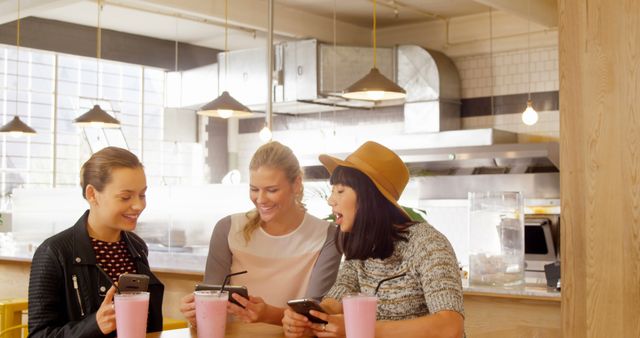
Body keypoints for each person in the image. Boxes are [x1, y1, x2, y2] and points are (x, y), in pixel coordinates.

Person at [282, 141, 465, 338]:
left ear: (369, 197)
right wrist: (309, 319)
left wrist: (360, 329)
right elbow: (336, 299)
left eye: (340, 191)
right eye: (333, 190)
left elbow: (450, 326)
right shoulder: (362, 246)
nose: (330, 200)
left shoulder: (427, 244)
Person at [180, 141, 342, 326]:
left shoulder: (327, 235)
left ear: (296, 184)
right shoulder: (228, 229)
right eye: (254, 189)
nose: (261, 199)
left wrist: (269, 315)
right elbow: (211, 302)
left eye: (272, 190)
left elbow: (316, 315)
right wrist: (197, 311)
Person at [28, 147, 164, 337]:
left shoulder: (137, 247)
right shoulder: (54, 252)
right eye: (125, 197)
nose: (139, 205)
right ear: (92, 194)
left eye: (142, 195)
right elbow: (39, 334)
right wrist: (94, 325)